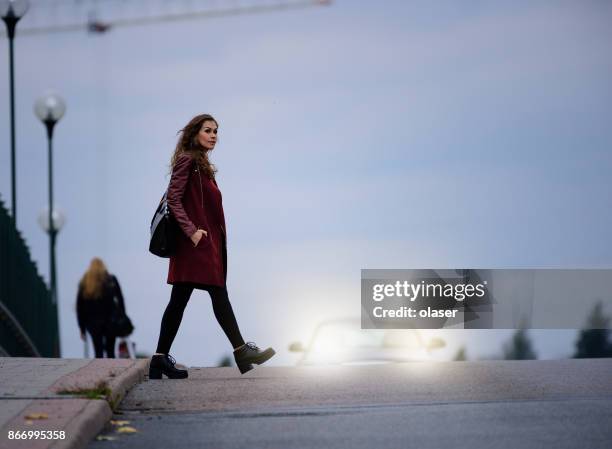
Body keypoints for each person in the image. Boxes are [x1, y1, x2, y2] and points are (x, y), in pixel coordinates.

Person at [150, 113, 275, 379]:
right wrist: (192, 232)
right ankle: (241, 351)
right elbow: (173, 198)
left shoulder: (201, 164)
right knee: (216, 295)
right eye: (208, 130)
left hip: (204, 245)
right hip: (195, 245)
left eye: (216, 131)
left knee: (181, 301)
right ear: (195, 133)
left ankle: (159, 359)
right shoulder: (188, 161)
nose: (214, 135)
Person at [76, 258, 125, 358]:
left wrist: (82, 328)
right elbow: (120, 299)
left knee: (98, 350)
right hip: (111, 320)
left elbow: (79, 306)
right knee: (110, 350)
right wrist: (122, 317)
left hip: (92, 322)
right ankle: (111, 371)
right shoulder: (111, 279)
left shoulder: (85, 282)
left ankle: (99, 371)